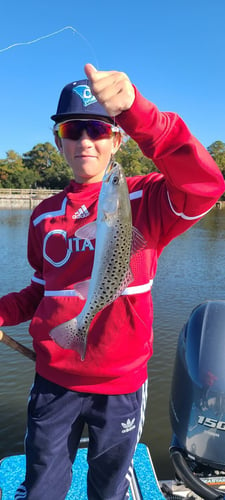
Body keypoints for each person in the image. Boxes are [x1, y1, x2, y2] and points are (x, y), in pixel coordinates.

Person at [0, 63, 224, 500]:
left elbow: (205, 186)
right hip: (53, 379)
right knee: (42, 485)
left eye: (98, 130)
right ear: (58, 141)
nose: (86, 140)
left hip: (120, 386)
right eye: (73, 129)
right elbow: (38, 291)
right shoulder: (44, 215)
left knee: (108, 489)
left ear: (117, 139)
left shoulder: (145, 198)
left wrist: (139, 113)